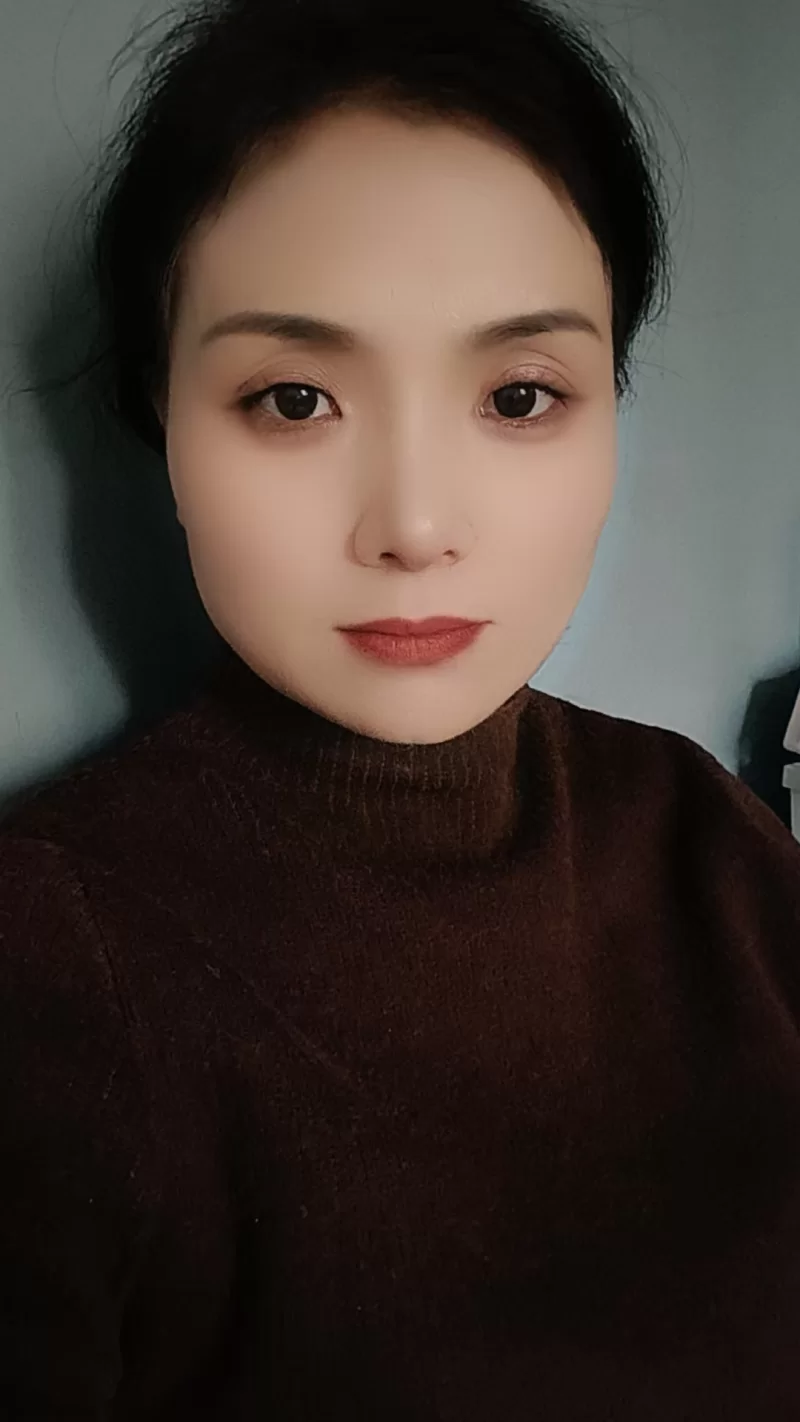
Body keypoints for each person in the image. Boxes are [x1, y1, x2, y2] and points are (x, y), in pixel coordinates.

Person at [2, 0, 800, 1416]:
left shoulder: (714, 846)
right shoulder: (50, 956)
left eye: (521, 395)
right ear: (159, 420)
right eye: (295, 398)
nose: (417, 526)